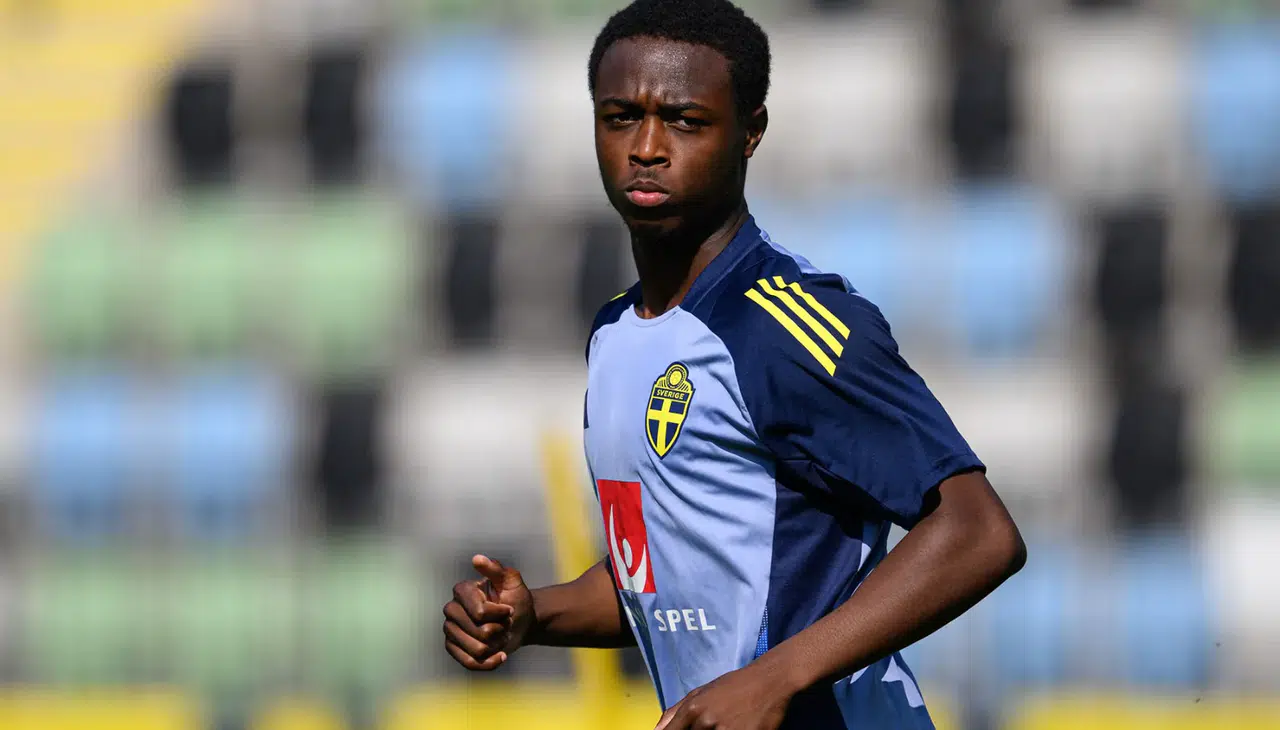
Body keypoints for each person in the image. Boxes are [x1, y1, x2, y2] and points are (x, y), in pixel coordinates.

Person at [441, 1, 1027, 727]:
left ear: (751, 132)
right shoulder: (616, 335)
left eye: (685, 121)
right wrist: (537, 613)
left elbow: (977, 533)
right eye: (620, 117)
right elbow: (668, 579)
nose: (646, 147)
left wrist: (771, 680)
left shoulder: (786, 327)